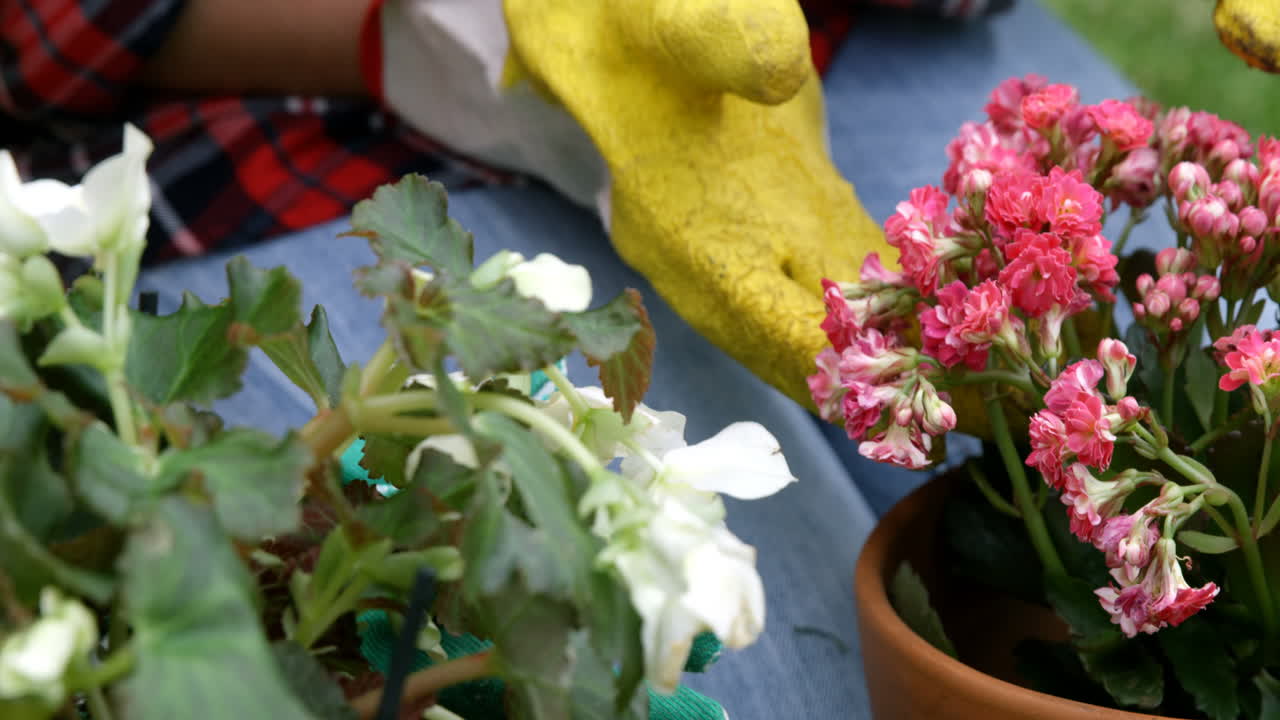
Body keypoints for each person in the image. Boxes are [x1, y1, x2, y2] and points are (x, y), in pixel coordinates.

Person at [1, 1, 1154, 717]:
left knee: (1161, 436)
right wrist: (440, 30)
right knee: (790, 684)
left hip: (833, 34)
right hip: (291, 119)